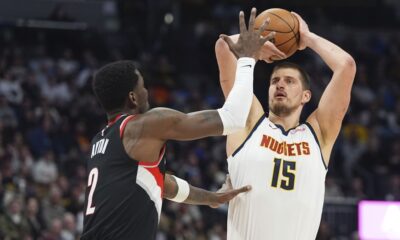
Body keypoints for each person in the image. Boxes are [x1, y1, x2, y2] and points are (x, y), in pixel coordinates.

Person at [81, 8, 274, 240]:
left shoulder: (101, 141)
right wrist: (247, 60)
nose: (147, 91)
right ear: (132, 97)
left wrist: (210, 198)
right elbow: (233, 118)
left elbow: (161, 182)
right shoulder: (146, 124)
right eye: (143, 86)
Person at [215, 12, 356, 240]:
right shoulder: (248, 121)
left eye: (289, 81)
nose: (280, 84)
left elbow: (346, 66)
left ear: (306, 96)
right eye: (275, 81)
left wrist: (306, 38)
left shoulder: (319, 134)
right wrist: (254, 47)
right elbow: (223, 47)